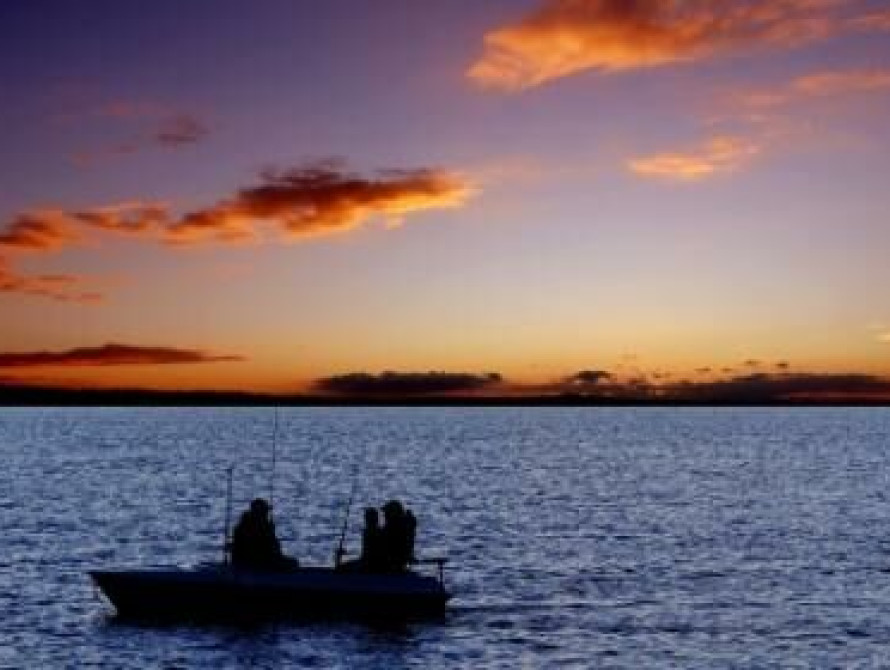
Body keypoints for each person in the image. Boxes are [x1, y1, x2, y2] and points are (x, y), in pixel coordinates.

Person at [231, 498, 298, 571]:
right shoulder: (251, 527)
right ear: (259, 512)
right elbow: (262, 548)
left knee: (292, 562)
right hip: (253, 562)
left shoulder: (259, 524)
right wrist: (269, 532)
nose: (267, 513)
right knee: (291, 563)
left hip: (258, 560)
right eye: (265, 511)